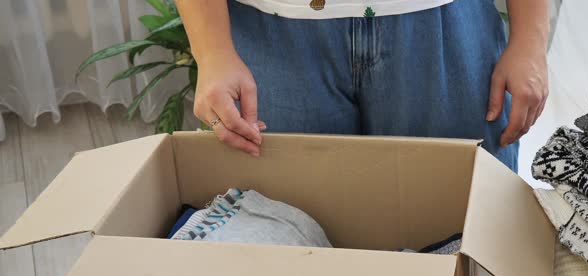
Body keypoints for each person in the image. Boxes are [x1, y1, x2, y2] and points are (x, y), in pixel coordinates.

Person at [175, 0, 550, 171]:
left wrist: (531, 38)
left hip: (441, 23)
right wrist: (211, 50)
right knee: (286, 249)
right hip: (272, 31)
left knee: (464, 241)